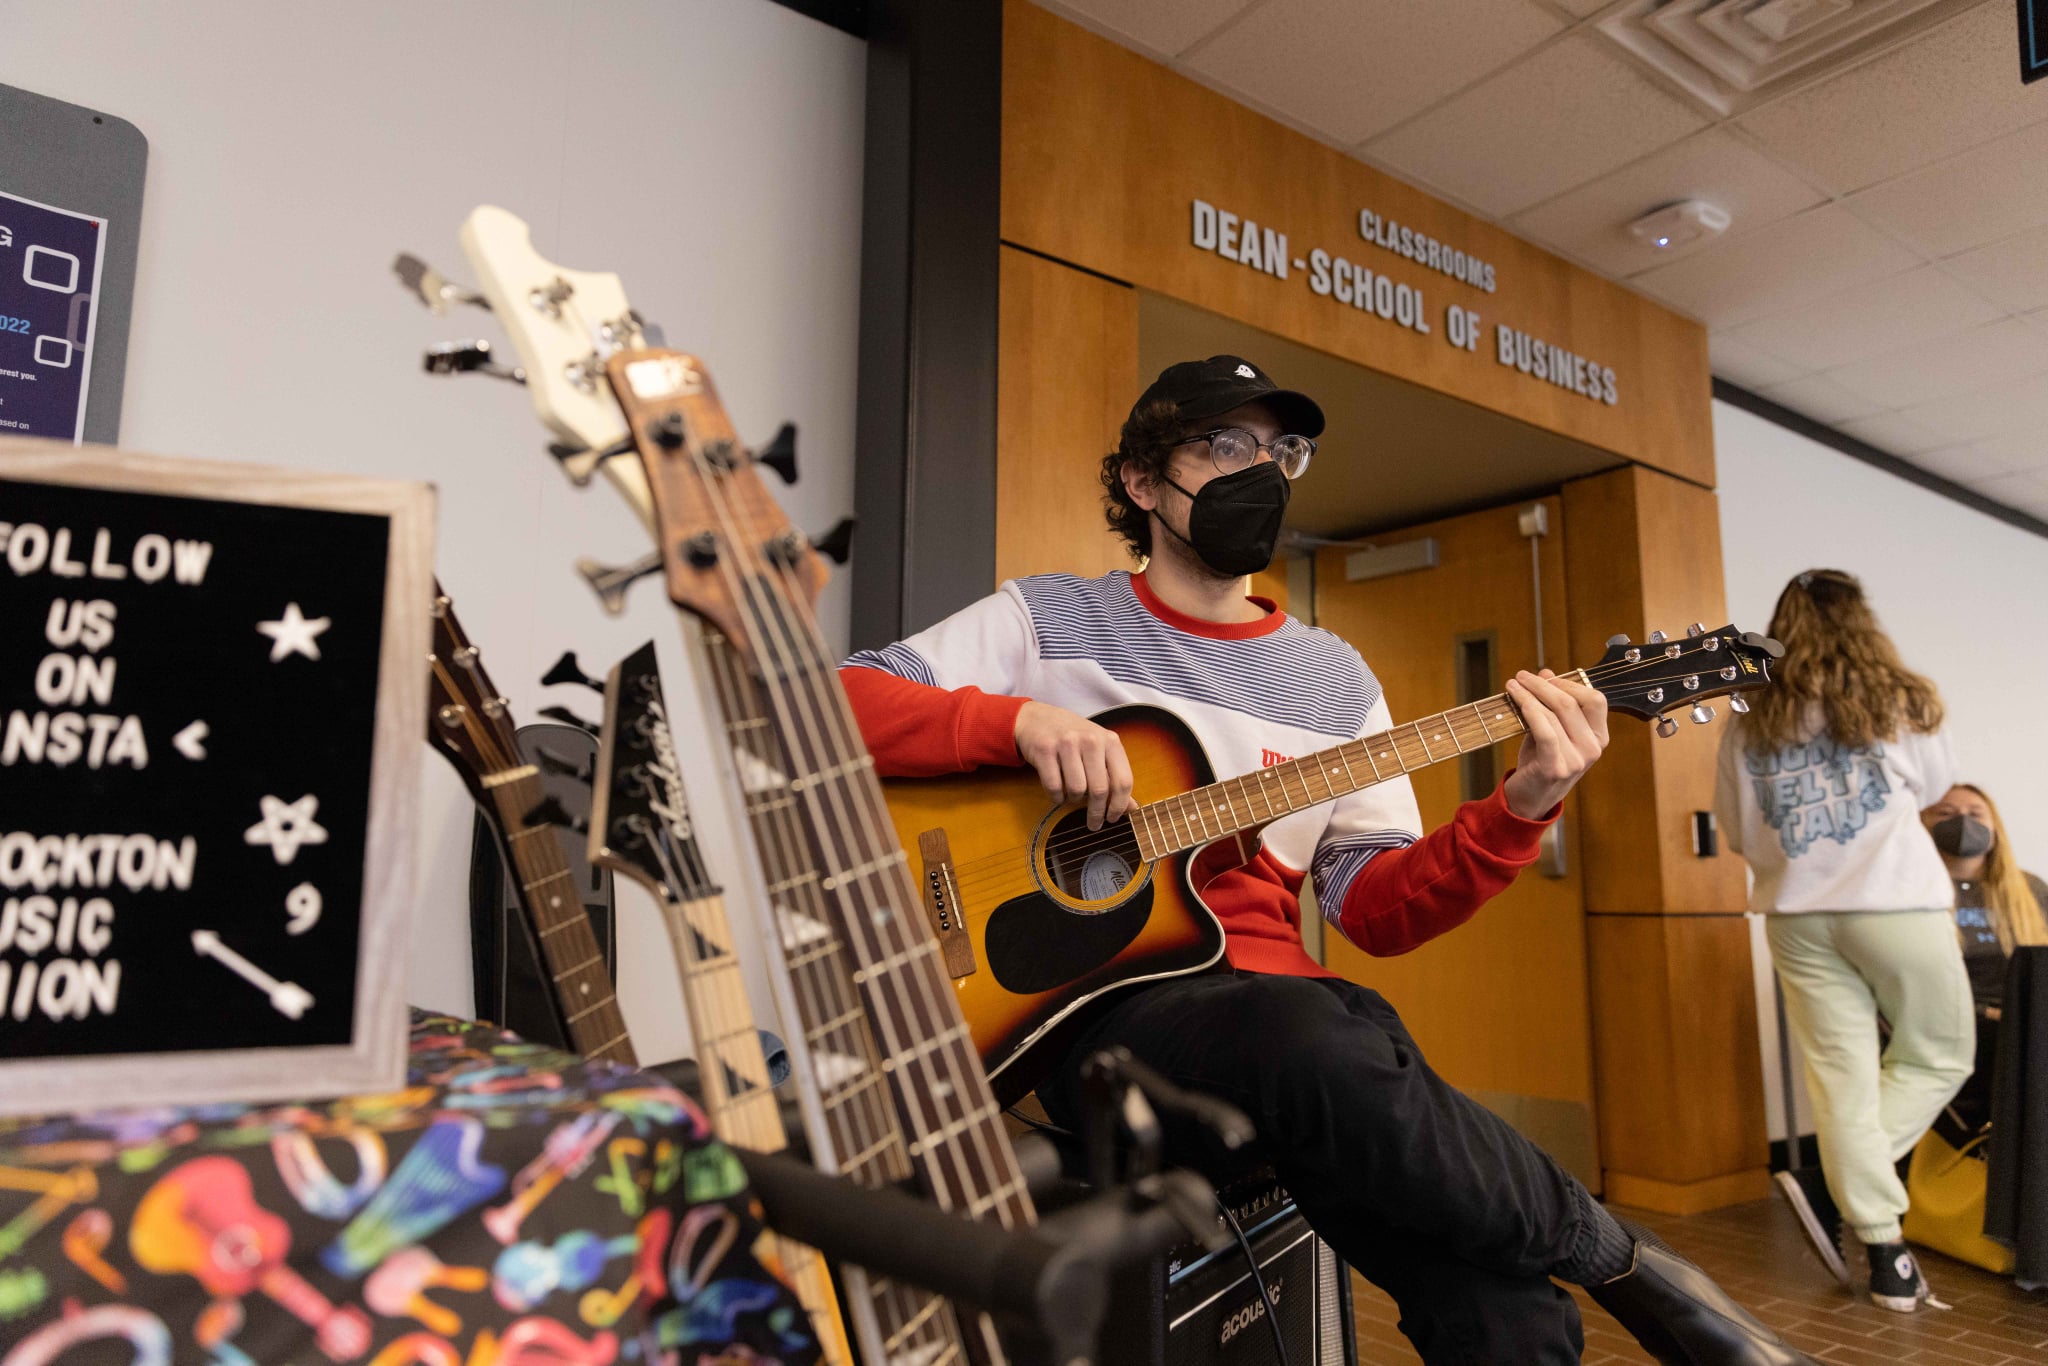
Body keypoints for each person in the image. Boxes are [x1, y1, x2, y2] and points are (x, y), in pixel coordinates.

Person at [844, 355, 1811, 1365]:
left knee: (1502, 1300)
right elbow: (842, 697)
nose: (1258, 470)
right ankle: (1619, 1254)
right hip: (1089, 1016)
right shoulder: (1046, 617)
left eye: (1281, 451)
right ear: (1140, 481)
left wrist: (1522, 804)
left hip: (1296, 1038)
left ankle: (1584, 1265)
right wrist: (1010, 721)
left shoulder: (1335, 681)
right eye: (1224, 446)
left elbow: (1375, 910)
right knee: (1313, 1027)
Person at [1714, 569, 1974, 1312]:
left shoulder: (1751, 715)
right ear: (1863, 620)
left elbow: (1735, 827)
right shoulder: (1898, 697)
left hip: (1797, 916)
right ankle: (1840, 1182)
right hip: (1894, 906)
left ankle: (1886, 1256)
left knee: (1843, 1076)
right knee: (1939, 1052)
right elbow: (1935, 789)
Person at [1922, 783, 2048, 1132]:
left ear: (1994, 830)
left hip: (2025, 1024)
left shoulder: (2030, 890)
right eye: (1945, 814)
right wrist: (1988, 1013)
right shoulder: (1909, 898)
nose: (1962, 822)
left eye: (1975, 814)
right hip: (1949, 1026)